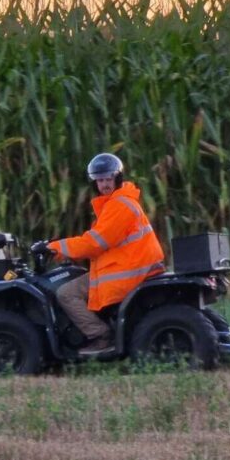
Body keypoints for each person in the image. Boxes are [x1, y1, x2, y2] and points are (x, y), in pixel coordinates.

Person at [45, 152, 165, 356]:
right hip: (130, 265)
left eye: (108, 179)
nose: (104, 184)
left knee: (67, 293)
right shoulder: (118, 203)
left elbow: (95, 243)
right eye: (99, 180)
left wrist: (55, 247)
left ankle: (100, 336)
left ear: (117, 179)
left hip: (128, 271)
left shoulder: (119, 205)